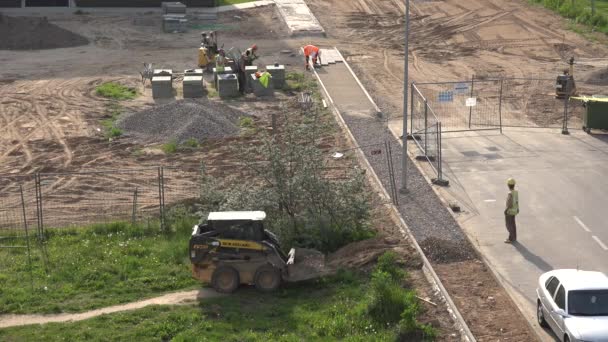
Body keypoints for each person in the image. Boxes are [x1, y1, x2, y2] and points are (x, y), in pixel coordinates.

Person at [504, 178, 519, 243]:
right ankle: (514, 237)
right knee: (513, 224)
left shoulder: (510, 193)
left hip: (510, 212)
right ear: (514, 185)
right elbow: (516, 201)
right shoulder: (515, 192)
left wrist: (506, 210)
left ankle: (511, 239)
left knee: (508, 225)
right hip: (514, 211)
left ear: (508, 185)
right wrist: (518, 209)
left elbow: (509, 204)